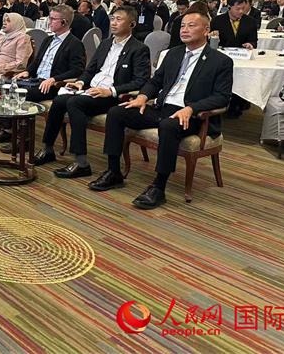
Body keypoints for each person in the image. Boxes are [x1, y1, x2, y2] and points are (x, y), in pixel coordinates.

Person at [90, 11, 233, 210]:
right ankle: (113, 171)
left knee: (168, 125)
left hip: (192, 116)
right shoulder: (174, 53)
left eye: (191, 26)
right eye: (182, 26)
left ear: (206, 30)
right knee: (117, 112)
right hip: (163, 108)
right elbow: (156, 81)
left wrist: (192, 108)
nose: (184, 30)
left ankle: (159, 186)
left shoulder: (220, 61)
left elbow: (222, 97)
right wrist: (142, 97)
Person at [41, 6, 150, 176]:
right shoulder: (105, 44)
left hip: (113, 96)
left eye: (119, 19)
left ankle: (81, 162)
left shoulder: (139, 49)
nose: (113, 23)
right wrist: (79, 82)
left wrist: (111, 91)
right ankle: (47, 149)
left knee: (74, 102)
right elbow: (90, 70)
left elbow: (140, 81)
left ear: (132, 24)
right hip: (91, 90)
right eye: (112, 19)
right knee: (60, 100)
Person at [1, 4, 85, 154]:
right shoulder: (48, 40)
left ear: (64, 22)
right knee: (6, 86)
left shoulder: (74, 44)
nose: (49, 22)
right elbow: (36, 62)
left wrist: (54, 79)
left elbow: (77, 70)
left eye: (52, 19)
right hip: (37, 80)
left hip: (54, 85)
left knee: (23, 94)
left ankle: (24, 140)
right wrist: (27, 72)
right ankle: (8, 130)